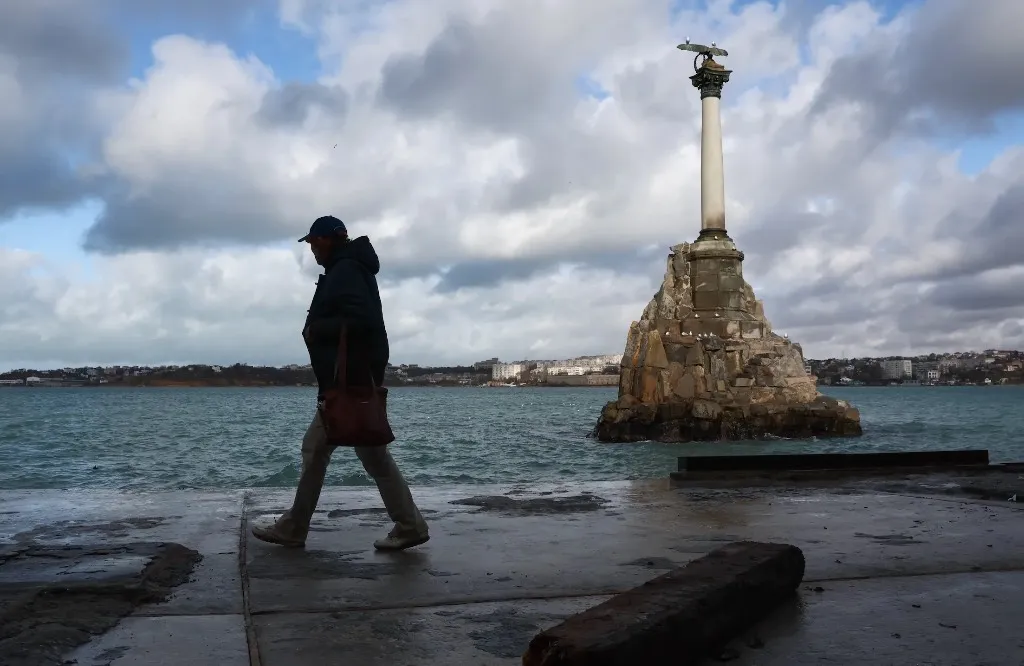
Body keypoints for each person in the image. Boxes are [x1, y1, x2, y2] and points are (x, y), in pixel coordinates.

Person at [251, 215, 429, 551]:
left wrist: (318, 330)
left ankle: (294, 527)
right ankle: (410, 525)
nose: (312, 249)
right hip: (353, 378)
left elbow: (361, 320)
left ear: (329, 239)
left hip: (347, 382)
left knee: (316, 449)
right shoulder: (348, 268)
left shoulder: (345, 270)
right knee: (370, 457)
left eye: (315, 242)